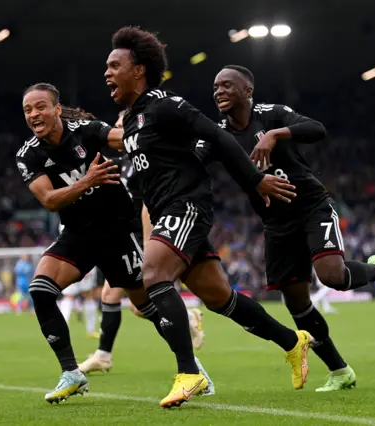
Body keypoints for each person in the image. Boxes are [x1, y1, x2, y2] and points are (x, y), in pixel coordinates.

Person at [105, 26, 313, 408]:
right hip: (166, 210)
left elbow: (219, 138)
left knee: (153, 275)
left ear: (139, 70)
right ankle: (292, 341)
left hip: (185, 206)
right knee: (221, 298)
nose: (107, 73)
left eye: (115, 65)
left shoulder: (167, 105)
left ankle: (190, 372)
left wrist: (255, 180)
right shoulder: (132, 119)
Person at [200, 64, 375, 391]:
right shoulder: (218, 134)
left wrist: (275, 134)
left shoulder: (271, 115)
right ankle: (340, 371)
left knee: (332, 276)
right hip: (275, 223)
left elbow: (316, 129)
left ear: (247, 91)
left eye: (227, 85)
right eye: (215, 87)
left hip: (311, 206)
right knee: (296, 301)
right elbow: (194, 159)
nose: (219, 92)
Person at [16, 83, 213, 404]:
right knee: (40, 290)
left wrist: (179, 137)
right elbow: (50, 200)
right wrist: (87, 181)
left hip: (117, 233)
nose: (34, 114)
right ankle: (72, 373)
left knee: (146, 308)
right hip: (77, 234)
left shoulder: (88, 131)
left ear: (56, 108)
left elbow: (128, 140)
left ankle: (193, 370)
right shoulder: (28, 155)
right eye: (27, 110)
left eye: (40, 107)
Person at [79, 111, 205, 375]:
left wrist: (149, 243)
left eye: (117, 126)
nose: (112, 131)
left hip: (141, 234)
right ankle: (105, 353)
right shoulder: (124, 161)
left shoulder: (143, 161)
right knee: (121, 299)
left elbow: (148, 204)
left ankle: (185, 336)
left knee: (122, 298)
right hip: (124, 235)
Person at [58, 266, 100, 339]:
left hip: (75, 264)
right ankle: (90, 331)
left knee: (83, 296)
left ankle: (61, 331)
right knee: (73, 296)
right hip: (79, 264)